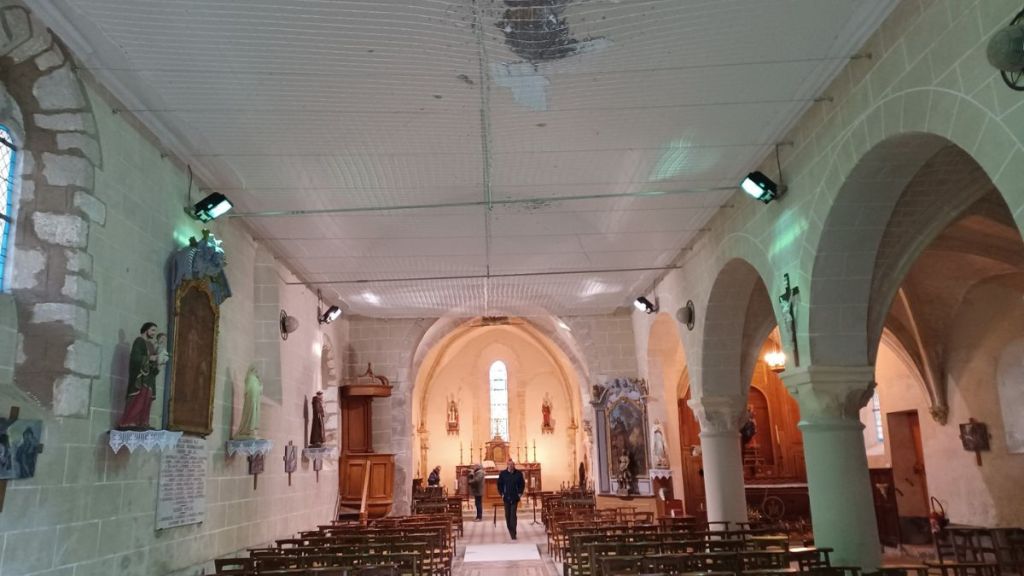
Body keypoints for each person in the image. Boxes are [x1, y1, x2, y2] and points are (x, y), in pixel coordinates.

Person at [117, 322, 160, 430]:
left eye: (155, 331)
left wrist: (158, 363)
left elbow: (153, 362)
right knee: (138, 400)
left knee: (147, 401)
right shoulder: (139, 341)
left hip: (149, 378)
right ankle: (128, 421)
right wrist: (149, 359)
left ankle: (142, 422)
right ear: (146, 330)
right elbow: (135, 359)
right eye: (153, 330)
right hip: (140, 378)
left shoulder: (150, 344)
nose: (154, 333)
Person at [497, 458, 525, 540]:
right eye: (509, 465)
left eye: (512, 465)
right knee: (507, 515)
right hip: (506, 497)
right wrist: (501, 494)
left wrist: (520, 493)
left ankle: (513, 533)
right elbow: (499, 484)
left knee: (513, 515)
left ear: (514, 465)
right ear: (507, 465)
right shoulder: (503, 474)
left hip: (515, 497)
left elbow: (522, 484)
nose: (511, 466)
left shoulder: (518, 474)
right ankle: (510, 529)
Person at [235, 366, 263, 439]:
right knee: (251, 412)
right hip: (251, 399)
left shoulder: (256, 380)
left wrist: (260, 384)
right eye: (255, 370)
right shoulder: (250, 377)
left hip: (255, 400)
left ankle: (252, 428)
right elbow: (247, 389)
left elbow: (260, 391)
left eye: (257, 371)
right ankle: (247, 429)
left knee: (255, 412)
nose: (257, 372)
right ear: (252, 370)